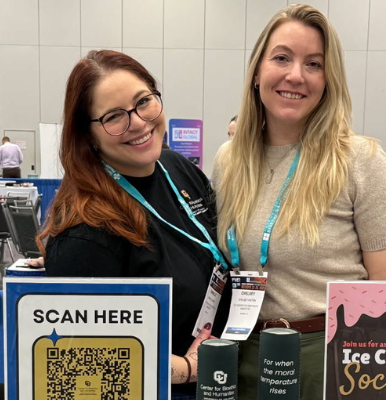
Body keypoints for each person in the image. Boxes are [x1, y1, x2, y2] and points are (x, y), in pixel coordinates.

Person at [211, 5, 386, 399]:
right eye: (282, 57)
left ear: (328, 80)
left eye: (314, 64)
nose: (296, 75)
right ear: (256, 71)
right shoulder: (228, 160)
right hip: (237, 353)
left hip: (331, 359)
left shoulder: (361, 161)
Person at [37, 50, 230, 400]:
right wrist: (185, 370)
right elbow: (85, 360)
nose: (139, 123)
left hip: (219, 382)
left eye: (144, 102)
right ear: (88, 135)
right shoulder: (86, 234)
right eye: (114, 117)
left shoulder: (177, 168)